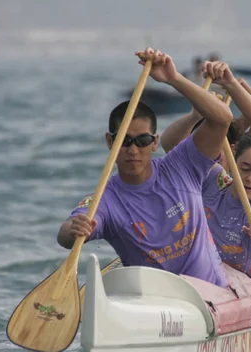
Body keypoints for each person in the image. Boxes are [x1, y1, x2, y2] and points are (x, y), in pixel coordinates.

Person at [56, 48, 235, 288]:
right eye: (124, 141)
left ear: (153, 143)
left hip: (210, 294)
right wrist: (74, 229)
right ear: (110, 142)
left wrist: (174, 79)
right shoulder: (105, 199)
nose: (133, 150)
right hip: (154, 302)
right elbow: (66, 236)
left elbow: (222, 119)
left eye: (141, 141)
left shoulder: (183, 164)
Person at [202, 134, 251, 279]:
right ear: (233, 164)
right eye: (244, 168)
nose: (250, 178)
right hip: (206, 273)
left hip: (249, 284)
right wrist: (195, 115)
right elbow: (174, 145)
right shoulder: (215, 179)